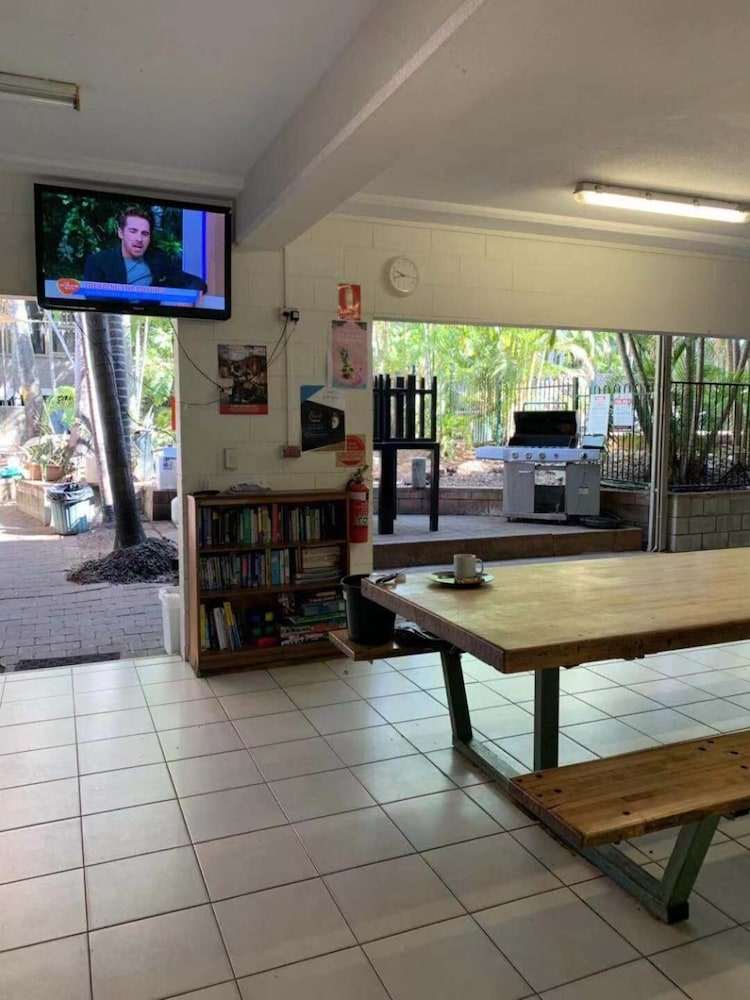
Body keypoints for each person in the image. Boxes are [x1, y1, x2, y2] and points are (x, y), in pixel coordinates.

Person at [83, 206, 207, 294]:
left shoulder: (160, 261)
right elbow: (92, 298)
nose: (139, 239)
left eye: (145, 233)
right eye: (133, 231)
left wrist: (188, 300)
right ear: (121, 233)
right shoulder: (98, 261)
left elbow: (197, 283)